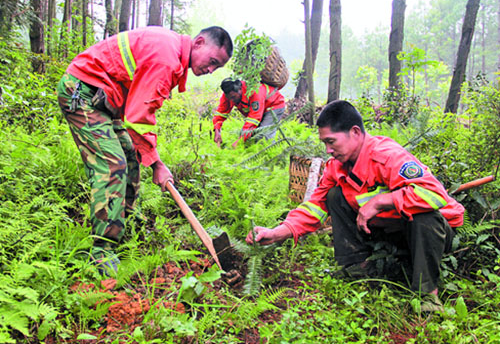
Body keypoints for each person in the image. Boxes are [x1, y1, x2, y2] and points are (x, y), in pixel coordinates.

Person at [246, 100, 464, 312]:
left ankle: (428, 294)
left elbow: (435, 195)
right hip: (387, 231)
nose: (328, 150)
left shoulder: (388, 156)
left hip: (431, 234)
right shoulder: (337, 167)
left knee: (423, 215)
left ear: (355, 133)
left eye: (331, 141)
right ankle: (357, 268)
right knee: (334, 194)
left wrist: (380, 201)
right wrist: (278, 232)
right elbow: (315, 206)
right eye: (325, 143)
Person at [57, 26, 232, 274]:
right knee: (112, 164)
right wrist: (158, 165)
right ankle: (102, 249)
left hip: (106, 101)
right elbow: (139, 119)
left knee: (129, 157)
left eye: (218, 67)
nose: (210, 70)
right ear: (199, 42)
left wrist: (151, 159)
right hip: (83, 93)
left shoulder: (173, 55)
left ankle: (124, 225)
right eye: (212, 61)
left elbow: (136, 111)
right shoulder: (166, 58)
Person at [212, 78, 285, 148]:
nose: (231, 100)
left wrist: (240, 141)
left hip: (274, 106)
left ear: (240, 89)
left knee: (264, 136)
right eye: (229, 98)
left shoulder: (254, 91)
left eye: (233, 97)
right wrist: (217, 130)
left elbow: (254, 118)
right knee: (250, 137)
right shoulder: (229, 95)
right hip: (259, 111)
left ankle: (269, 156)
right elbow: (220, 113)